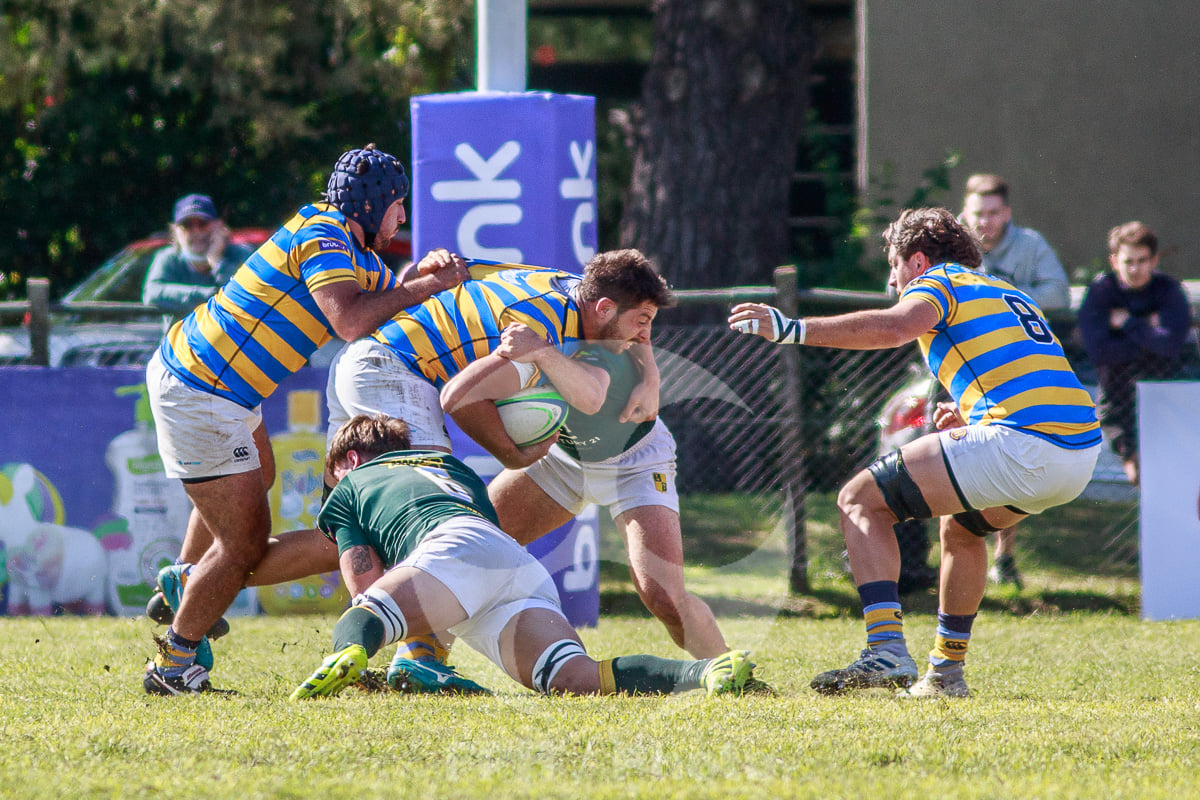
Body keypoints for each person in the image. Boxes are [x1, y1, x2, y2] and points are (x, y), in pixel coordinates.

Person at [728, 207, 1101, 698]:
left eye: (894, 265)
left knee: (859, 500)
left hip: (1024, 445)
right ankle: (945, 675)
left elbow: (893, 327)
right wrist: (975, 419)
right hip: (1077, 455)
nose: (891, 278)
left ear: (918, 260)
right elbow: (1029, 377)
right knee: (963, 530)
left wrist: (792, 329)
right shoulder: (1004, 291)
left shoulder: (940, 281)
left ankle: (885, 650)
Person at [142, 143, 470, 696]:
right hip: (199, 389)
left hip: (222, 389)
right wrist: (423, 285)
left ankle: (183, 577)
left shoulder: (354, 253)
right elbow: (349, 320)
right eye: (398, 205)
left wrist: (421, 273)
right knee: (244, 547)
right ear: (371, 204)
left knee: (259, 483)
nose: (403, 217)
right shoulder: (322, 234)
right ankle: (174, 665)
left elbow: (388, 296)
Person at [323, 249, 674, 689]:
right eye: (642, 321)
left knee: (353, 521)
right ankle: (408, 656)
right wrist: (514, 455)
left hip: (373, 362)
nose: (645, 334)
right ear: (604, 309)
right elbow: (458, 399)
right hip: (395, 370)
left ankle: (376, 646)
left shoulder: (574, 285)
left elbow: (463, 266)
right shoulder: (539, 329)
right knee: (424, 512)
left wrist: (651, 378)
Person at [290, 414, 760, 699]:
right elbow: (482, 529)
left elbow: (363, 584)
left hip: (455, 550)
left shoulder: (352, 482)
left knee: (368, 614)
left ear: (348, 460)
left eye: (332, 475)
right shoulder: (446, 465)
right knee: (572, 676)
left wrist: (360, 635)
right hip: (511, 563)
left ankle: (343, 659)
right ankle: (704, 670)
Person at [439, 331, 730, 659]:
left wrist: (651, 376)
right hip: (560, 457)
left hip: (636, 460)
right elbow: (459, 396)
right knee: (469, 550)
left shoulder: (597, 319)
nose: (640, 328)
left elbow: (638, 306)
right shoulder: (517, 310)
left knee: (663, 597)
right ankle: (423, 662)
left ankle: (730, 673)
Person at [961, 173, 1072, 588]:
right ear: (964, 213)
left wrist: (998, 295)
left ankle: (1002, 556)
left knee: (1011, 461)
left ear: (1006, 213)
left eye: (993, 213)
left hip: (1012, 374)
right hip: (954, 370)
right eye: (977, 214)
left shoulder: (1030, 245)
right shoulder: (950, 242)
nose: (985, 222)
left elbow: (1059, 295)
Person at [1077, 221, 1192, 488]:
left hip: (1165, 386)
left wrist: (1128, 324)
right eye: (1128, 261)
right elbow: (1099, 352)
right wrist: (1148, 334)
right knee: (1136, 467)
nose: (1135, 269)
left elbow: (1171, 346)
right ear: (1114, 261)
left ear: (1154, 260)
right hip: (1117, 391)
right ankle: (1130, 459)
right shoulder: (1101, 292)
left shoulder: (1169, 291)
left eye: (1142, 261)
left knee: (1168, 471)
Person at [141, 194, 255, 314]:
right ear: (175, 230)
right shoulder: (168, 258)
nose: (196, 232)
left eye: (203, 224)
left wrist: (217, 262)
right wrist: (214, 296)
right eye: (187, 226)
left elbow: (247, 297)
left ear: (219, 226)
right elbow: (151, 294)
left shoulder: (241, 255)